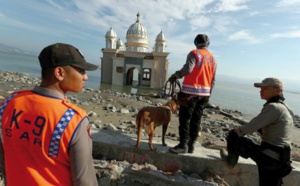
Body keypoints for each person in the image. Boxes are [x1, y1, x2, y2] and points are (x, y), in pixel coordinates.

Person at [0, 43, 98, 186]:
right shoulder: (74, 120)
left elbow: (3, 157)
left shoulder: (8, 104)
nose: (86, 77)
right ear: (59, 73)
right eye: (81, 71)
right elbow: (84, 181)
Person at [220, 77, 294, 186]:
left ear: (278, 91)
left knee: (234, 134)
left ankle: (231, 161)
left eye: (265, 88)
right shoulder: (286, 108)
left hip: (270, 157)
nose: (261, 90)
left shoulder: (273, 107)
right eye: (260, 88)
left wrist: (237, 131)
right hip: (283, 159)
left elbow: (250, 128)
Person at [168, 34, 217, 154]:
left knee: (185, 119)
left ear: (196, 43)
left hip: (190, 93)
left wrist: (176, 75)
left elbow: (188, 69)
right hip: (205, 94)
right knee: (196, 119)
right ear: (208, 44)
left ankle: (182, 145)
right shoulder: (213, 59)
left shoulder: (194, 53)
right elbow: (213, 80)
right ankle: (191, 146)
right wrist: (208, 94)